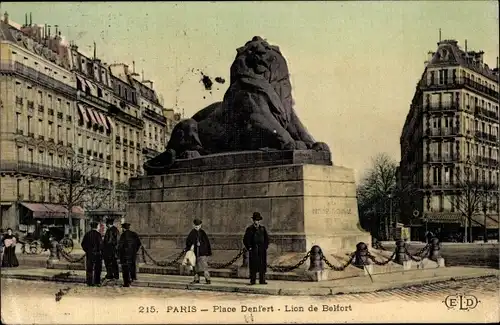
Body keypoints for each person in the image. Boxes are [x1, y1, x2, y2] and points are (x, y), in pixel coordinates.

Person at [243, 212, 269, 285]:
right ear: (253, 221)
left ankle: (262, 280)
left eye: (257, 220)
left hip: (261, 250)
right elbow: (245, 239)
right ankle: (253, 280)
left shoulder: (263, 229)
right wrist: (249, 248)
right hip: (254, 250)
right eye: (255, 220)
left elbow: (266, 239)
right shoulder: (249, 229)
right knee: (253, 266)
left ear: (259, 221)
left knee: (262, 266)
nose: (256, 222)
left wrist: (265, 247)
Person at [185, 219, 212, 284]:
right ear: (193, 225)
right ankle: (196, 279)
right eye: (195, 225)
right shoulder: (192, 233)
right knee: (195, 267)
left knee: (204, 266)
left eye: (198, 225)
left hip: (202, 253)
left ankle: (207, 279)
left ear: (200, 225)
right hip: (194, 253)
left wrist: (203, 247)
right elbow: (188, 242)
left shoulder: (203, 233)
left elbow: (206, 243)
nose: (197, 226)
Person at [118, 222, 142, 287]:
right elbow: (139, 244)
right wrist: (134, 251)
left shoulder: (123, 235)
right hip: (132, 254)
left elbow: (120, 246)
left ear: (123, 228)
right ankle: (133, 278)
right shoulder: (134, 234)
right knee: (132, 266)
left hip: (125, 255)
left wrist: (119, 255)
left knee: (125, 269)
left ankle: (126, 283)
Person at [81, 222, 103, 287]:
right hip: (97, 254)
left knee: (89, 268)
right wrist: (99, 251)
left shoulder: (87, 234)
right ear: (96, 227)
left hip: (89, 254)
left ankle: (89, 282)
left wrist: (87, 251)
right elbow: (101, 245)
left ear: (91, 227)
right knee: (97, 268)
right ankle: (97, 282)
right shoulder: (98, 235)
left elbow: (83, 244)